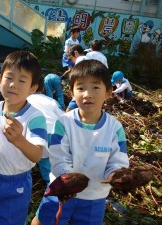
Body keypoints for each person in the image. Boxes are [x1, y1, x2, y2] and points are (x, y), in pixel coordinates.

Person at [31, 60, 130, 225]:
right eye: (81, 88)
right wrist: (70, 180)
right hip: (61, 190)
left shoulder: (114, 128)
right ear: (71, 92)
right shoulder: (63, 123)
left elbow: (118, 159)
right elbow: (58, 156)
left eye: (95, 87)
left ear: (108, 91)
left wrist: (115, 174)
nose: (87, 94)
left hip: (94, 196)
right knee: (43, 221)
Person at [0, 50, 48, 225]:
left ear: (33, 88)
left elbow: (37, 155)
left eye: (22, 81)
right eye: (9, 77)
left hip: (16, 183)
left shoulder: (35, 118)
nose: (13, 84)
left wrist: (19, 140)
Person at [27, 79, 64, 183]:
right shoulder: (51, 100)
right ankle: (51, 183)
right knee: (47, 161)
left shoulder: (24, 100)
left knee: (27, 160)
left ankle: (27, 180)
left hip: (33, 134)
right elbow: (63, 117)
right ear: (43, 88)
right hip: (53, 133)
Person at [64, 44, 88, 112]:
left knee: (68, 112)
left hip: (81, 90)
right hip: (88, 91)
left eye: (71, 58)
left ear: (76, 53)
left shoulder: (80, 59)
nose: (72, 61)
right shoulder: (88, 59)